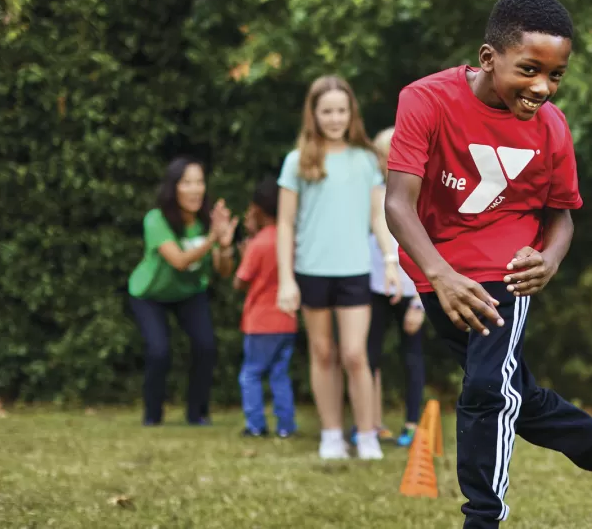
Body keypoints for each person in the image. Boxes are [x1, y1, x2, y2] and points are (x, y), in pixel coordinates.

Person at [384, 0, 592, 529]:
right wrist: (440, 276)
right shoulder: (425, 100)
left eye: (556, 75)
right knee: (517, 397)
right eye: (529, 69)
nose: (543, 87)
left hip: (505, 269)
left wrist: (549, 261)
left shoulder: (552, 130)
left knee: (485, 391)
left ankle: (482, 519)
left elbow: (562, 215)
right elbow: (397, 204)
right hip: (440, 272)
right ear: (487, 58)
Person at [276, 75, 397, 460]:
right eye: (326, 111)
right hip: (311, 270)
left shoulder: (366, 160)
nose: (334, 118)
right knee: (322, 352)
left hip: (355, 271)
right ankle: (331, 434)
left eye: (341, 111)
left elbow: (379, 216)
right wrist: (285, 280)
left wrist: (391, 261)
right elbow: (284, 223)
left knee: (355, 355)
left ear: (351, 114)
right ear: (313, 114)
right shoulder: (298, 161)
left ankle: (365, 435)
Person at [126, 156, 238, 427]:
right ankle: (153, 417)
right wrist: (212, 238)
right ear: (173, 187)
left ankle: (197, 414)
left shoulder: (206, 220)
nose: (195, 189)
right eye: (187, 183)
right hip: (150, 294)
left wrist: (224, 246)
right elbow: (178, 260)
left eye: (199, 182)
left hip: (188, 292)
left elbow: (224, 271)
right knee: (159, 351)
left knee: (206, 347)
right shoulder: (156, 220)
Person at [362, 127, 428, 448]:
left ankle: (412, 423)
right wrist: (389, 261)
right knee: (370, 353)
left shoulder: (422, 191)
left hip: (413, 285)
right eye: (383, 152)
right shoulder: (377, 189)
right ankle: (371, 422)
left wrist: (419, 302)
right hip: (376, 284)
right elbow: (379, 222)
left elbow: (431, 244)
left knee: (412, 356)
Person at [234, 177, 297, 439]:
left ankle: (256, 426)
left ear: (257, 209)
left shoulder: (258, 243)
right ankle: (285, 426)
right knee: (280, 375)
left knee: (250, 375)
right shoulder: (290, 240)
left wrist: (243, 252)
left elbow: (240, 281)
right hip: (287, 320)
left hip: (260, 323)